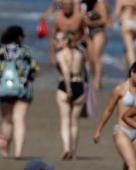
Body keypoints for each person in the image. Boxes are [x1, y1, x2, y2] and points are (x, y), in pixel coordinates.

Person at [0, 26, 39, 160]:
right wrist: (27, 78)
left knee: (7, 121)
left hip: (3, 91)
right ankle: (18, 152)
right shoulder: (25, 52)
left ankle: (5, 151)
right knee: (19, 120)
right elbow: (35, 70)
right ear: (19, 37)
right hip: (23, 90)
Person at [52, 1, 86, 160]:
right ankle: (73, 150)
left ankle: (66, 147)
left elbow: (65, 71)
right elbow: (86, 70)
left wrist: (68, 88)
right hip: (79, 82)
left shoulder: (61, 55)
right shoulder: (80, 54)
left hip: (65, 85)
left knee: (64, 120)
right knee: (75, 122)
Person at [111, 0, 136, 69]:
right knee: (129, 46)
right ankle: (126, 66)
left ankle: (133, 69)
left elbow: (117, 12)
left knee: (130, 48)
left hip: (126, 21)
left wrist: (111, 20)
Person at [81, 0, 109, 93]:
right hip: (88, 33)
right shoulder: (85, 5)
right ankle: (97, 77)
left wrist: (91, 23)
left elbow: (104, 20)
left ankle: (97, 83)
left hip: (98, 32)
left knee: (96, 57)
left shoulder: (100, 3)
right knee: (90, 58)